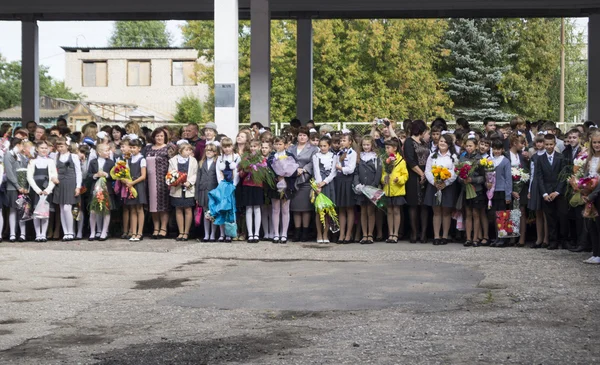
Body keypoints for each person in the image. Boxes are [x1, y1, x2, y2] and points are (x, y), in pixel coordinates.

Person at [424, 133, 457, 245]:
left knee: (446, 212)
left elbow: (455, 172)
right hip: (434, 186)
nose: (442, 143)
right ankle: (436, 236)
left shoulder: (453, 156)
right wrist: (434, 182)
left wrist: (446, 183)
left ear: (449, 144)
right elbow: (427, 171)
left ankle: (445, 235)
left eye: (445, 142)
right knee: (436, 212)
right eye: (441, 141)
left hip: (447, 187)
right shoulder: (432, 155)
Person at [536, 134, 567, 250]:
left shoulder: (561, 157)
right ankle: (553, 241)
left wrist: (557, 191)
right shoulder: (540, 159)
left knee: (562, 216)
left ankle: (564, 240)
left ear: (554, 144)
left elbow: (563, 176)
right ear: (544, 144)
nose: (549, 146)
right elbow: (539, 177)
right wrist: (544, 193)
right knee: (550, 218)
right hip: (547, 193)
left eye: (551, 144)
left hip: (558, 192)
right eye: (547, 144)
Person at [289, 126, 319, 242]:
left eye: (304, 135)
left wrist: (304, 169)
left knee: (305, 208)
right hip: (294, 178)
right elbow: (287, 160)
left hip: (306, 179)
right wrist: (294, 169)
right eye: (300, 135)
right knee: (296, 208)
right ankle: (297, 231)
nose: (302, 137)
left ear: (308, 137)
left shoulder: (313, 149)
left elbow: (313, 162)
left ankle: (305, 232)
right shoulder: (292, 148)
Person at [403, 120, 431, 243]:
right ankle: (414, 232)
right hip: (414, 175)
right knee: (413, 205)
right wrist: (421, 173)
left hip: (426, 173)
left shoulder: (424, 142)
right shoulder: (409, 141)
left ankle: (424, 233)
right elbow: (409, 159)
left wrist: (426, 174)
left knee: (424, 206)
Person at [145, 128, 174, 239]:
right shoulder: (148, 148)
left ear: (165, 137)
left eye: (161, 136)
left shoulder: (168, 148)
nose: (159, 138)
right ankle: (156, 228)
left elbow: (173, 163)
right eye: (157, 136)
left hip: (163, 181)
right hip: (150, 181)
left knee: (163, 206)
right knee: (153, 206)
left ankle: (163, 228)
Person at [268, 136, 296, 244]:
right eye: (276, 144)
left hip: (287, 184)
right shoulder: (271, 156)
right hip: (275, 185)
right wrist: (277, 177)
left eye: (280, 144)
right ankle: (276, 233)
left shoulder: (290, 156)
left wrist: (285, 176)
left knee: (285, 209)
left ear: (285, 145)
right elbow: (268, 170)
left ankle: (284, 233)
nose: (278, 146)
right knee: (275, 209)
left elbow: (293, 170)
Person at [459, 132, 486, 247]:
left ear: (476, 146)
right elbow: (458, 174)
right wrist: (463, 179)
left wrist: (472, 180)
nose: (469, 148)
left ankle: (476, 238)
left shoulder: (480, 159)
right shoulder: (463, 157)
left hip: (477, 189)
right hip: (466, 189)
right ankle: (468, 237)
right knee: (468, 213)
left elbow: (484, 177)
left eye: (471, 146)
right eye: (467, 146)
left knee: (476, 214)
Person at [52, 137, 82, 242]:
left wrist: (78, 186)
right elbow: (53, 170)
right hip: (60, 183)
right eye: (58, 146)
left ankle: (71, 231)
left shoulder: (73, 156)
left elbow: (78, 172)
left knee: (67, 208)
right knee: (61, 209)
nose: (60, 148)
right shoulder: (55, 156)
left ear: (67, 146)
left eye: (62, 146)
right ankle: (66, 232)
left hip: (70, 182)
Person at [27, 141, 57, 242]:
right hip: (36, 190)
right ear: (37, 149)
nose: (44, 150)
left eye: (45, 148)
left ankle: (43, 234)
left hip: (47, 189)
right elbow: (29, 177)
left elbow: (54, 176)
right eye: (41, 148)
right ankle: (37, 234)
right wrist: (38, 190)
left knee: (45, 213)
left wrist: (48, 190)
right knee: (36, 213)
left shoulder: (51, 161)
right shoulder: (32, 162)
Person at [353, 136, 380, 245]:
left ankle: (370, 234)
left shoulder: (376, 157)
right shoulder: (359, 157)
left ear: (372, 145)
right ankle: (364, 235)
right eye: (364, 145)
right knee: (363, 212)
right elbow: (356, 173)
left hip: (371, 189)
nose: (366, 147)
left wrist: (373, 186)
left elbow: (378, 173)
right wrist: (357, 184)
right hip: (361, 188)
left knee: (371, 212)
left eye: (368, 145)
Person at [168, 141, 198, 242]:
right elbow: (171, 173)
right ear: (180, 151)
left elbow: (195, 173)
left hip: (188, 187)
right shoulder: (173, 160)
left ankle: (186, 232)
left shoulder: (193, 161)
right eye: (186, 150)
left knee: (188, 209)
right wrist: (178, 181)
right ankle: (180, 232)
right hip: (177, 187)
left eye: (190, 150)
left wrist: (189, 182)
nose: (189, 152)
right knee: (179, 209)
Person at [380, 137, 408, 244]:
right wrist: (384, 179)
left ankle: (396, 233)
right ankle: (390, 233)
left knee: (396, 211)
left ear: (395, 148)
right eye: (386, 148)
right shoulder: (385, 160)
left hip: (397, 189)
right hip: (388, 189)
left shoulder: (401, 161)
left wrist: (399, 179)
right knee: (389, 211)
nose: (386, 150)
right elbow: (383, 175)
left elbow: (405, 175)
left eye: (388, 148)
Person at [86, 143, 115, 241]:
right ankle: (93, 232)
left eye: (108, 150)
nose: (108, 152)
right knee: (93, 210)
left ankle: (104, 231)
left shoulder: (111, 162)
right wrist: (96, 175)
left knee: (106, 210)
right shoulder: (93, 162)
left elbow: (114, 176)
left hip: (106, 189)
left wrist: (106, 175)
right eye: (106, 151)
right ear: (99, 152)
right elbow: (88, 175)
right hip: (95, 188)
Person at [239, 139, 266, 243]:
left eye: (255, 146)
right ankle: (250, 233)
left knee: (257, 208)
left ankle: (256, 233)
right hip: (247, 185)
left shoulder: (261, 159)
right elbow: (240, 173)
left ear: (259, 147)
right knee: (249, 208)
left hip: (258, 185)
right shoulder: (245, 158)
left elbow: (264, 174)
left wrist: (257, 170)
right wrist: (245, 170)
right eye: (251, 146)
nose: (253, 148)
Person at [215, 137, 240, 242]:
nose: (227, 149)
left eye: (229, 146)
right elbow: (218, 172)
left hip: (232, 186)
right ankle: (222, 233)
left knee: (230, 209)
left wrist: (234, 184)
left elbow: (238, 172)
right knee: (222, 209)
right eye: (225, 147)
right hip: (222, 186)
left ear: (232, 146)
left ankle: (230, 233)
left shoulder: (237, 157)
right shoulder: (220, 158)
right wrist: (221, 184)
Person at [313, 136, 337, 244]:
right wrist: (318, 184)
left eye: (325, 146)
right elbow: (316, 170)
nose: (323, 148)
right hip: (319, 184)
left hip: (329, 184)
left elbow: (333, 172)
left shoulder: (334, 156)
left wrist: (325, 182)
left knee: (328, 210)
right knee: (319, 211)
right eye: (321, 146)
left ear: (329, 146)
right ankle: (319, 233)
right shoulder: (316, 156)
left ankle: (325, 233)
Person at [488, 139, 512, 247]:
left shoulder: (505, 161)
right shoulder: (489, 160)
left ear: (502, 149)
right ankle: (497, 237)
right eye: (495, 149)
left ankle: (503, 238)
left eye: (499, 149)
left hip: (502, 190)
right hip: (492, 191)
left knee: (502, 215)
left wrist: (508, 194)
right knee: (494, 215)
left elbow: (508, 179)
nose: (497, 151)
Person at [334, 132, 357, 244]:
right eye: (341, 140)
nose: (342, 142)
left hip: (348, 180)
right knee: (341, 208)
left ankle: (348, 234)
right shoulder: (338, 153)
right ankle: (341, 234)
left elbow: (351, 169)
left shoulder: (353, 153)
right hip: (339, 180)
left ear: (350, 142)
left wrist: (341, 168)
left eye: (344, 140)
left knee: (349, 208)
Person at [507, 133, 530, 247]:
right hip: (510, 187)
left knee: (522, 211)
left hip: (522, 187)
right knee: (511, 211)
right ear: (515, 143)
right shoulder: (506, 155)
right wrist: (511, 189)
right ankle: (511, 236)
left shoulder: (522, 155)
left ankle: (522, 238)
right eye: (522, 143)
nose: (523, 145)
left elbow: (526, 170)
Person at [581, 129, 600, 264]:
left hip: (598, 194)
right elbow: (585, 177)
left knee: (598, 224)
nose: (597, 145)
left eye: (599, 142)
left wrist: (592, 195)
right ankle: (595, 252)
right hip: (590, 194)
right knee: (590, 224)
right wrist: (583, 191)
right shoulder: (589, 158)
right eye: (594, 142)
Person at [5, 138, 28, 242]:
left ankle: (23, 233)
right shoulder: (8, 155)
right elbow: (9, 173)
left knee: (22, 210)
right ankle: (12, 233)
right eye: (21, 145)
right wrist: (18, 186)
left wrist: (24, 187)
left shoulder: (21, 157)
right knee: (13, 210)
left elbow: (25, 170)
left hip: (22, 187)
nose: (23, 147)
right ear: (17, 145)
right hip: (12, 187)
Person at [527, 134, 549, 249]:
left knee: (546, 213)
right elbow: (531, 173)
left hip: (545, 185)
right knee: (538, 213)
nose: (539, 144)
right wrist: (530, 189)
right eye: (538, 142)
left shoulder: (547, 155)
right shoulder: (534, 156)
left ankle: (546, 239)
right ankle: (539, 238)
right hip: (535, 185)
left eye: (542, 142)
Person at [125, 137, 147, 242]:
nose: (132, 149)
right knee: (132, 209)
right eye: (131, 147)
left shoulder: (141, 159)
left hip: (138, 185)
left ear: (139, 148)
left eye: (134, 147)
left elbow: (143, 176)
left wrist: (132, 183)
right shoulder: (128, 160)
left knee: (139, 208)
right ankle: (133, 232)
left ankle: (140, 232)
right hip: (130, 185)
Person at [196, 144, 219, 242]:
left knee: (213, 213)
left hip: (213, 190)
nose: (208, 152)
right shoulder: (201, 163)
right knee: (206, 213)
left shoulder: (217, 162)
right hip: (203, 190)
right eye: (207, 150)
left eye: (211, 150)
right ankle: (206, 234)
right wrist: (197, 195)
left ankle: (213, 234)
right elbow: (198, 179)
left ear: (215, 152)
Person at [260, 141, 274, 241]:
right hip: (262, 185)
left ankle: (272, 232)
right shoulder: (258, 159)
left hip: (272, 185)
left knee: (272, 210)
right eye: (262, 147)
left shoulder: (273, 158)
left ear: (270, 149)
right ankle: (266, 233)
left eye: (266, 147)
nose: (264, 149)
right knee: (264, 210)